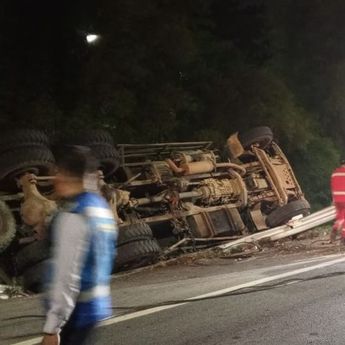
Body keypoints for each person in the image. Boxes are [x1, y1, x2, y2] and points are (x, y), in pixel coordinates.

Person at [41, 146, 117, 345]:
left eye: (57, 172)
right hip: (96, 307)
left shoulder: (74, 215)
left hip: (75, 313)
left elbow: (66, 276)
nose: (54, 178)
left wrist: (52, 328)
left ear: (65, 175)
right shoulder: (101, 209)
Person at [330, 159, 345, 243]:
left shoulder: (335, 173)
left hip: (337, 199)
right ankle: (343, 238)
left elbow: (332, 186)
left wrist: (333, 199)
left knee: (339, 216)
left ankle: (335, 229)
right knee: (344, 218)